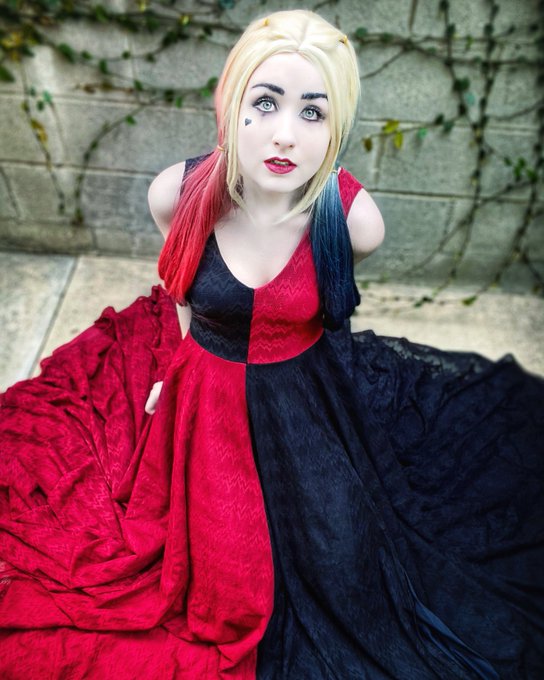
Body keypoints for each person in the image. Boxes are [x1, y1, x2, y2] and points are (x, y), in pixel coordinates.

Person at [0, 9, 542, 680]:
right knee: (221, 578)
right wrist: (172, 374)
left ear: (336, 127)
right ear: (231, 106)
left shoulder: (353, 222)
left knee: (342, 562)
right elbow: (179, 291)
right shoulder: (176, 196)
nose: (286, 134)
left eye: (313, 112)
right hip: (207, 407)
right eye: (265, 102)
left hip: (307, 405)